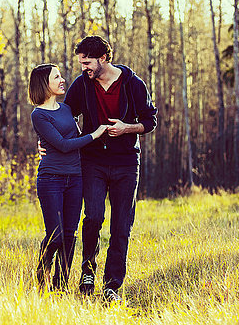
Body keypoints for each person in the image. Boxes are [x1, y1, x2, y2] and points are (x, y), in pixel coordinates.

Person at [40, 36, 157, 302]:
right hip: (92, 161)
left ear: (103, 58)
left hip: (127, 163)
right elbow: (62, 116)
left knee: (121, 225)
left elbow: (150, 122)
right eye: (81, 63)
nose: (83, 68)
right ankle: (88, 271)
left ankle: (112, 284)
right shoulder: (83, 85)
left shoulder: (133, 84)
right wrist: (45, 140)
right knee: (92, 217)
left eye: (88, 62)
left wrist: (127, 128)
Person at [28, 63, 108, 292]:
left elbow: (76, 137)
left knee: (70, 236)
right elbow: (63, 145)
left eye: (61, 76)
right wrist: (95, 134)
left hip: (75, 178)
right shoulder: (39, 115)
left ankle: (61, 283)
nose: (62, 80)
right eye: (57, 77)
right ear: (45, 83)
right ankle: (42, 271)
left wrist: (96, 136)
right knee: (56, 235)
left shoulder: (66, 109)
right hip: (51, 179)